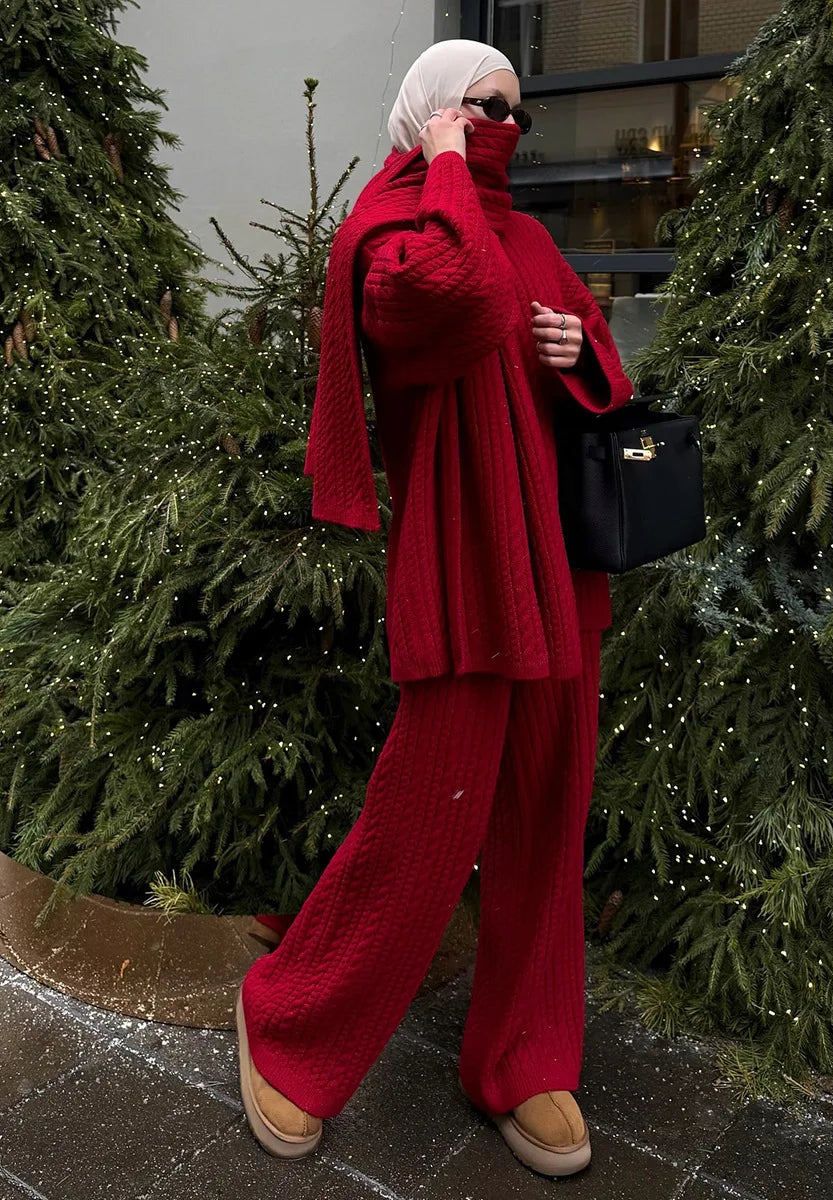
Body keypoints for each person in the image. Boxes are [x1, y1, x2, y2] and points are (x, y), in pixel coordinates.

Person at [236, 38, 634, 1179]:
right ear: (426, 112)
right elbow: (446, 301)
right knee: (428, 812)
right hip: (462, 565)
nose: (500, 122)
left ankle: (525, 1056)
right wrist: (449, 162)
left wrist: (580, 348)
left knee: (548, 808)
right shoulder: (394, 224)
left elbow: (597, 365)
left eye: (513, 109)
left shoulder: (531, 236)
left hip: (559, 568)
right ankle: (291, 1020)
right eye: (476, 104)